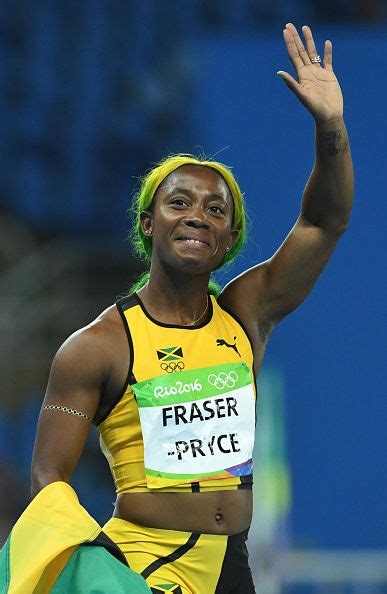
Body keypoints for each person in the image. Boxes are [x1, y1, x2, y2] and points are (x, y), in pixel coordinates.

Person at [30, 23, 353, 594]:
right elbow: (48, 476)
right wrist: (96, 560)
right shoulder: (98, 346)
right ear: (149, 225)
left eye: (215, 209)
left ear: (228, 239)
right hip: (146, 569)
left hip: (232, 568)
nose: (197, 215)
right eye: (178, 203)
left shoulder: (246, 314)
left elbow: (322, 222)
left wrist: (332, 129)